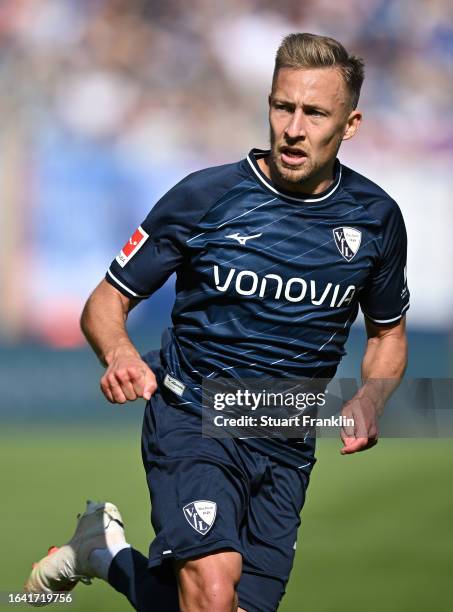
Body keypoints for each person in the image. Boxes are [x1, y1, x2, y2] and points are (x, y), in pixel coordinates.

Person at [25, 33, 409, 612]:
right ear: (269, 104)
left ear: (349, 124)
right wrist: (121, 354)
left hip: (287, 433)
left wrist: (373, 397)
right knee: (209, 591)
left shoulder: (376, 220)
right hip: (193, 414)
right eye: (284, 107)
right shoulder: (206, 197)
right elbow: (105, 301)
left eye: (314, 113)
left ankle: (103, 553)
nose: (294, 128)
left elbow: (387, 333)